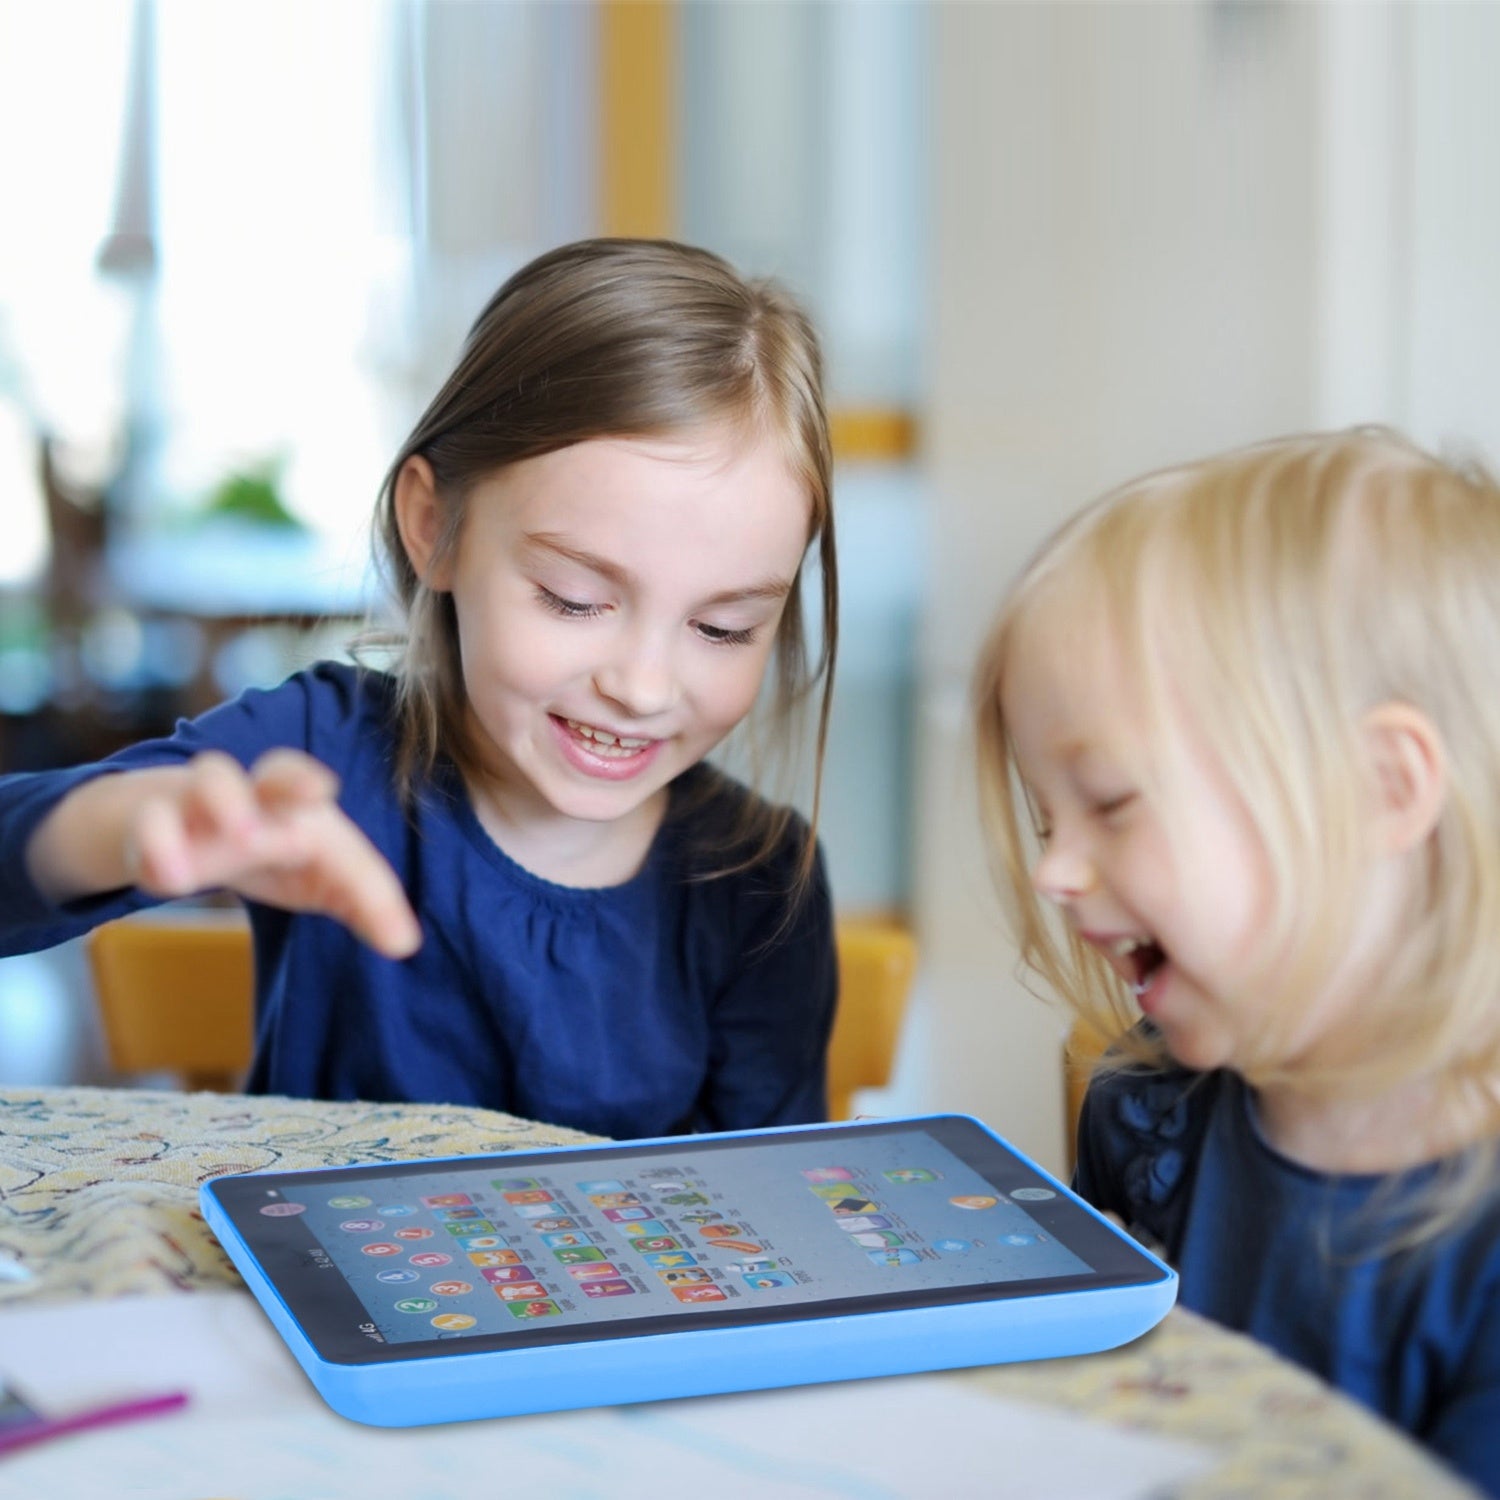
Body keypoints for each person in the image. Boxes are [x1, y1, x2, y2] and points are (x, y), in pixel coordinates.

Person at [0, 237, 840, 1141]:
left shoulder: (760, 883)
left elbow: (766, 1211)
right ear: (434, 526)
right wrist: (124, 824)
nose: (641, 686)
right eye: (575, 599)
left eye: (723, 629)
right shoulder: (320, 750)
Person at [973, 428, 1500, 1492]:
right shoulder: (1140, 1113)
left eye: (1111, 804)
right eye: (1045, 821)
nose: (1055, 872)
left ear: (1382, 792)